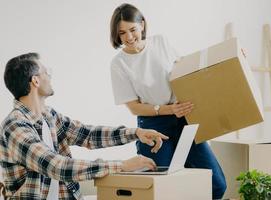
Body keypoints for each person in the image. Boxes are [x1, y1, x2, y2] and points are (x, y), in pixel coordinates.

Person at [0, 53, 169, 199]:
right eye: (46, 72)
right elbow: (56, 166)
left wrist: (136, 133)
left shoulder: (48, 116)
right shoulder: (15, 126)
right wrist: (123, 166)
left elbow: (87, 134)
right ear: (35, 81)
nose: (50, 76)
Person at [109, 3, 227, 199]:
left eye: (132, 29)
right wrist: (170, 109)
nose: (129, 37)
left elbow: (186, 70)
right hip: (153, 127)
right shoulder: (118, 64)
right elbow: (134, 107)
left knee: (216, 185)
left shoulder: (160, 42)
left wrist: (227, 60)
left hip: (184, 120)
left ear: (143, 25)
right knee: (162, 190)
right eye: (122, 33)